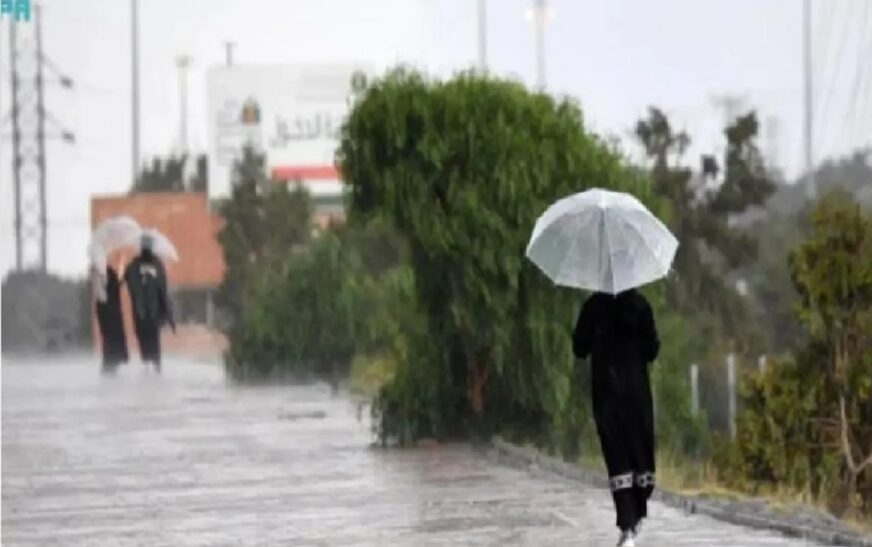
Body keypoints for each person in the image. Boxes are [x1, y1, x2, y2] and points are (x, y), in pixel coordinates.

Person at [572, 288, 660, 547]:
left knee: (617, 454)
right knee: (639, 451)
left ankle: (628, 523)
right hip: (636, 393)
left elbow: (579, 348)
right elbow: (651, 350)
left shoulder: (593, 307)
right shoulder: (640, 305)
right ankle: (635, 513)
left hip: (606, 392)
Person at [125, 234, 175, 371]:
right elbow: (130, 282)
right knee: (144, 340)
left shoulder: (157, 264)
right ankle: (147, 366)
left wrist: (167, 312)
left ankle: (155, 366)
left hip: (153, 311)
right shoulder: (134, 265)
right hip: (141, 311)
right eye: (145, 245)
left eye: (149, 245)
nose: (147, 248)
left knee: (154, 341)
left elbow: (163, 288)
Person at [92, 264, 129, 372]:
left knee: (113, 337)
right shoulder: (98, 271)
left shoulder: (106, 270)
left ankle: (113, 363)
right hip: (107, 309)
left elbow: (115, 285)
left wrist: (122, 277)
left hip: (112, 308)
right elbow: (101, 292)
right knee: (110, 337)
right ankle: (110, 364)